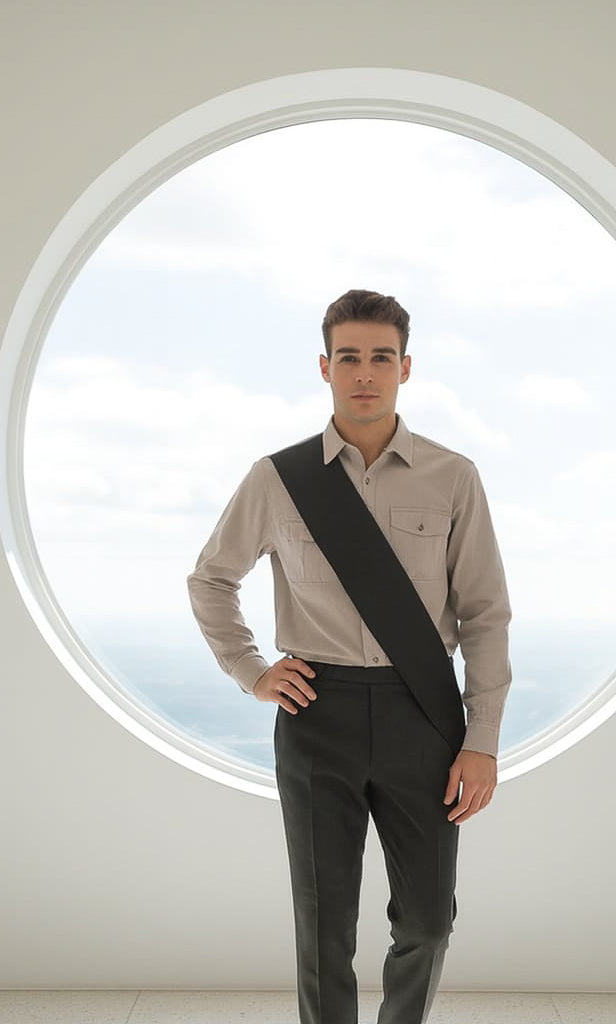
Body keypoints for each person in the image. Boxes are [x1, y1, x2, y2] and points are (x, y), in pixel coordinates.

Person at [187, 289, 511, 1024]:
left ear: (405, 368)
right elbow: (211, 579)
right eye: (350, 358)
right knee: (323, 930)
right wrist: (252, 670)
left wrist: (481, 740)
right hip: (316, 713)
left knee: (428, 921)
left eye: (382, 358)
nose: (365, 372)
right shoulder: (278, 478)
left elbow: (486, 614)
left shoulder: (452, 476)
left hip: (421, 714)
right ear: (325, 367)